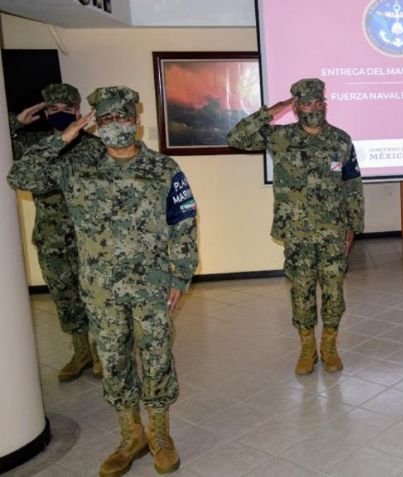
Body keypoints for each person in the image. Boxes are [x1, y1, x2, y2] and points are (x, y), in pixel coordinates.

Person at [7, 86, 198, 476]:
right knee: (112, 360)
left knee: (157, 357)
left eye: (123, 117)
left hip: (152, 285)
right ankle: (131, 436)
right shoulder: (75, 168)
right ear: (96, 122)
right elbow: (18, 175)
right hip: (100, 288)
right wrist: (64, 136)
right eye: (106, 118)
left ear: (136, 122)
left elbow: (184, 224)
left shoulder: (164, 169)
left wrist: (179, 275)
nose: (116, 125)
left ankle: (160, 434)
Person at [227, 78, 364, 375]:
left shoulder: (341, 139)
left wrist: (353, 225)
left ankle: (329, 346)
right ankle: (306, 348)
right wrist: (272, 110)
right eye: (306, 104)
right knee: (300, 290)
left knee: (333, 290)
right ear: (297, 107)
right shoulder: (280, 137)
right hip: (297, 230)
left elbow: (352, 184)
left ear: (325, 104)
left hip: (332, 231)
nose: (313, 108)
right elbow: (235, 137)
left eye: (318, 103)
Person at [8, 83, 101, 382]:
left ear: (77, 111)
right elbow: (15, 171)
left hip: (89, 239)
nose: (60, 114)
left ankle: (100, 351)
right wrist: (14, 124)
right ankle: (80, 351)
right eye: (53, 109)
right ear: (45, 112)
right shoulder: (32, 145)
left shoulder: (95, 147)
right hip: (52, 238)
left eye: (66, 109)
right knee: (65, 298)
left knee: (95, 295)